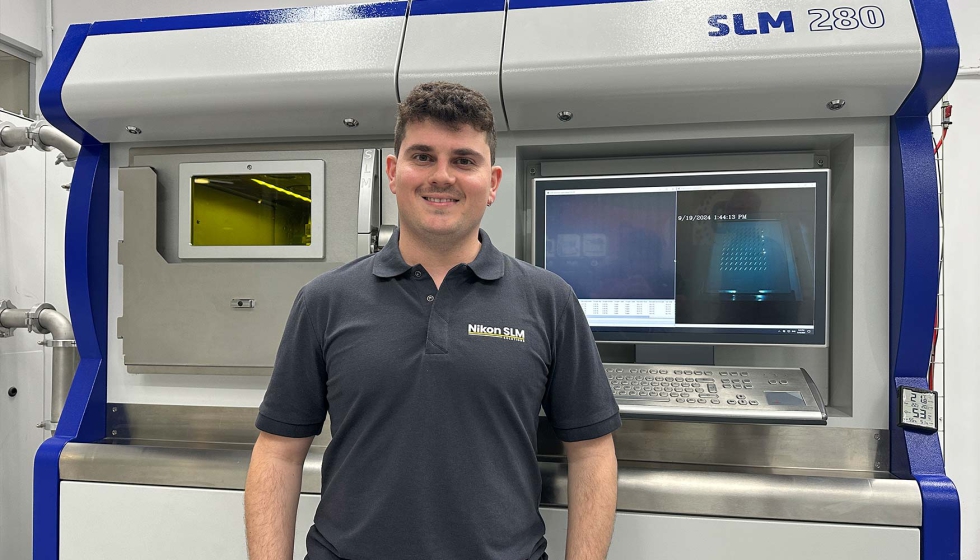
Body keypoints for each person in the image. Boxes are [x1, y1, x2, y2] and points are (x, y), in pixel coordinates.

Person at [244, 81, 621, 560]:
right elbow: (278, 450)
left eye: (464, 160)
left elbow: (591, 451)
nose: (442, 176)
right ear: (393, 173)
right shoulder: (325, 301)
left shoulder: (549, 301)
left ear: (493, 183)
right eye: (423, 156)